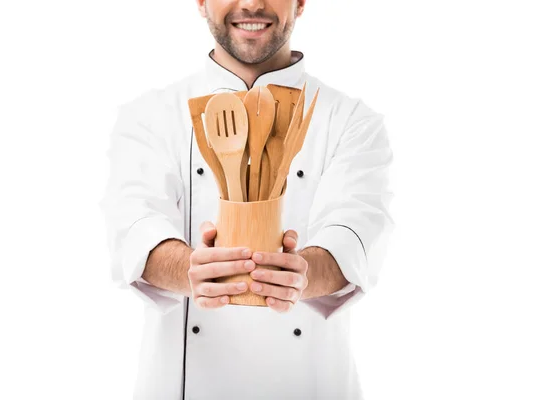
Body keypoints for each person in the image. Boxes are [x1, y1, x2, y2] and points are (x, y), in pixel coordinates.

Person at [99, 0, 395, 398]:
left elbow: (355, 233)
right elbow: (134, 226)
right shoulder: (150, 114)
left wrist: (302, 273)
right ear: (201, 2)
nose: (252, 3)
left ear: (301, 2)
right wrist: (190, 267)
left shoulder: (351, 120)